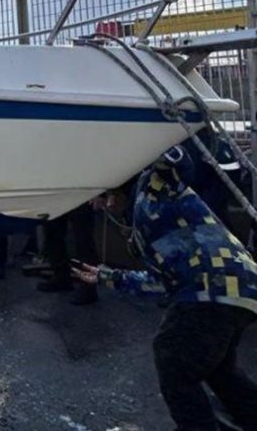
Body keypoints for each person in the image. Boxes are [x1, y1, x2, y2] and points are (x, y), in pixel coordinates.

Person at [73, 146, 257, 431]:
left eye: (98, 197)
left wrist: (145, 139)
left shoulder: (154, 185)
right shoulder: (144, 222)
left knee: (174, 363)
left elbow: (175, 160)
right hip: (240, 285)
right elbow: (161, 281)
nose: (98, 206)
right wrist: (108, 277)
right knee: (218, 368)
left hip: (209, 287)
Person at [36, 202, 101, 305]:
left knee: (83, 239)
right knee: (51, 232)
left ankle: (88, 288)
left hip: (81, 195)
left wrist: (101, 195)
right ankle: (61, 277)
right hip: (56, 195)